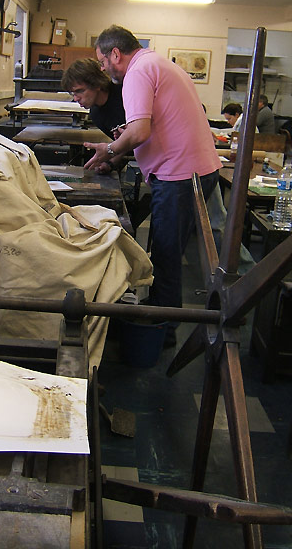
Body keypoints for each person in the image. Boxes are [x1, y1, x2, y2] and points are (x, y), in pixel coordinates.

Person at [84, 25, 221, 346]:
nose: (103, 68)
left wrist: (110, 150)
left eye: (103, 61)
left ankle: (165, 329)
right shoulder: (158, 64)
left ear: (115, 53)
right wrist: (117, 156)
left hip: (180, 175)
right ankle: (162, 312)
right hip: (193, 171)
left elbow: (140, 131)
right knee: (167, 248)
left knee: (166, 252)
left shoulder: (137, 72)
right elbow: (151, 129)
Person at [61, 57, 127, 174]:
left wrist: (111, 149)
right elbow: (126, 148)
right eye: (73, 93)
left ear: (96, 84)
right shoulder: (96, 114)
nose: (76, 98)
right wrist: (110, 164)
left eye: (80, 91)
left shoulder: (126, 93)